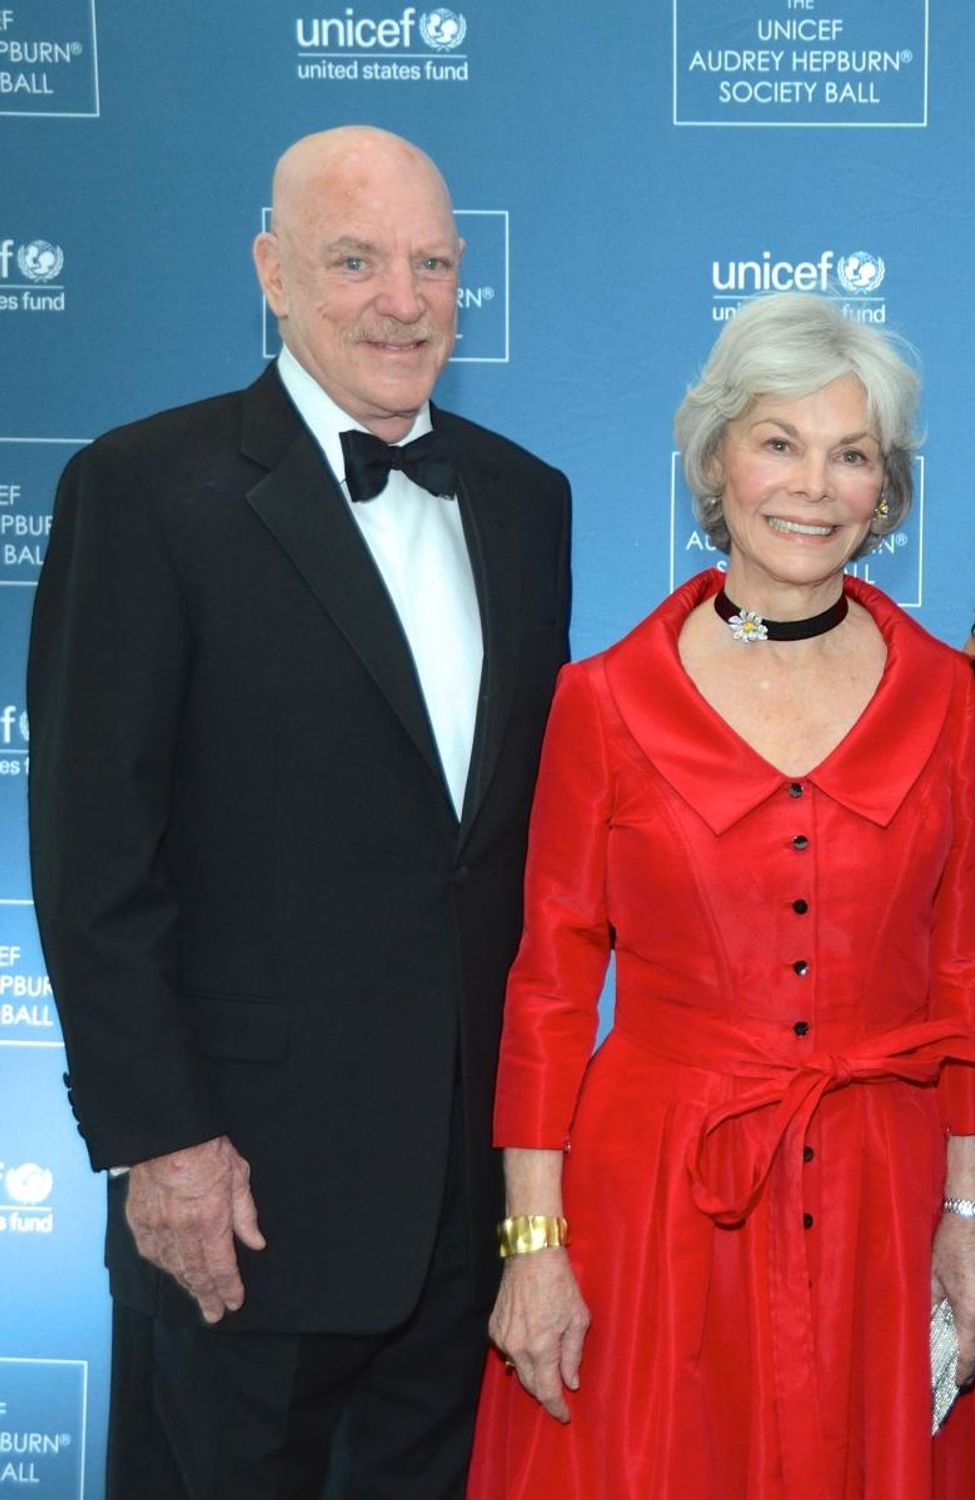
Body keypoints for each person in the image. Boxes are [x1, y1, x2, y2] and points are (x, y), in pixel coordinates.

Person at [27, 126, 573, 1497]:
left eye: (434, 264)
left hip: (463, 1210)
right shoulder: (144, 489)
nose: (405, 299)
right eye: (356, 261)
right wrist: (161, 1143)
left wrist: (530, 1194)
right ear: (273, 273)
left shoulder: (525, 501)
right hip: (240, 1196)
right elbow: (94, 855)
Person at [467, 291, 975, 1500]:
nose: (813, 484)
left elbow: (972, 976)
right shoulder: (602, 701)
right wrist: (534, 1242)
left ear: (886, 489)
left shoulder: (946, 696)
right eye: (779, 441)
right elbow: (551, 988)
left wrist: (974, 1211)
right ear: (715, 459)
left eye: (851, 453)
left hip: (883, 1190)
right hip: (657, 1201)